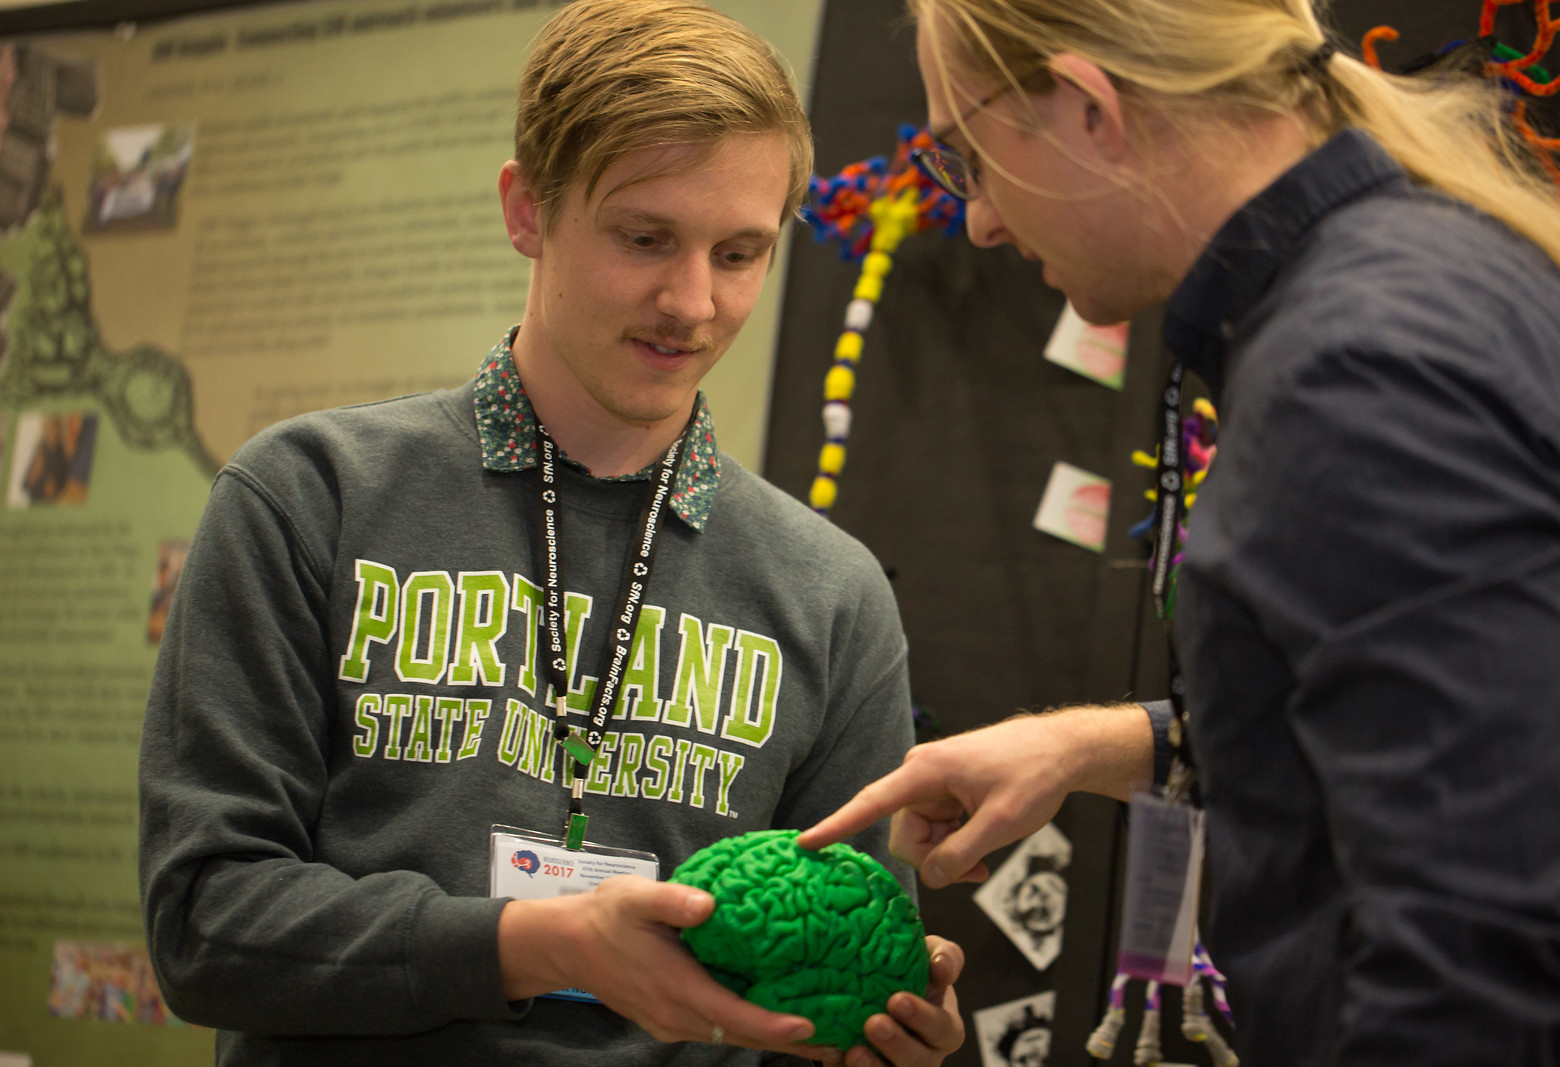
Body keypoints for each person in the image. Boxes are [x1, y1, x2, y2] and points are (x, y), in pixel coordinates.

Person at [138, 3, 964, 1065]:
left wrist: (880, 1026)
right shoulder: (308, 497)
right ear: (526, 209)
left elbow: (838, 954)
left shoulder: (830, 591)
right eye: (644, 237)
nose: (691, 301)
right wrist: (530, 943)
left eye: (741, 251)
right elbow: (203, 921)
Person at [802, 0, 1560, 1062]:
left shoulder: (1357, 372)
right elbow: (1472, 719)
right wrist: (1097, 744)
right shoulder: (1437, 274)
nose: (982, 219)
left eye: (967, 155)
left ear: (1089, 105)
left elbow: (1484, 955)